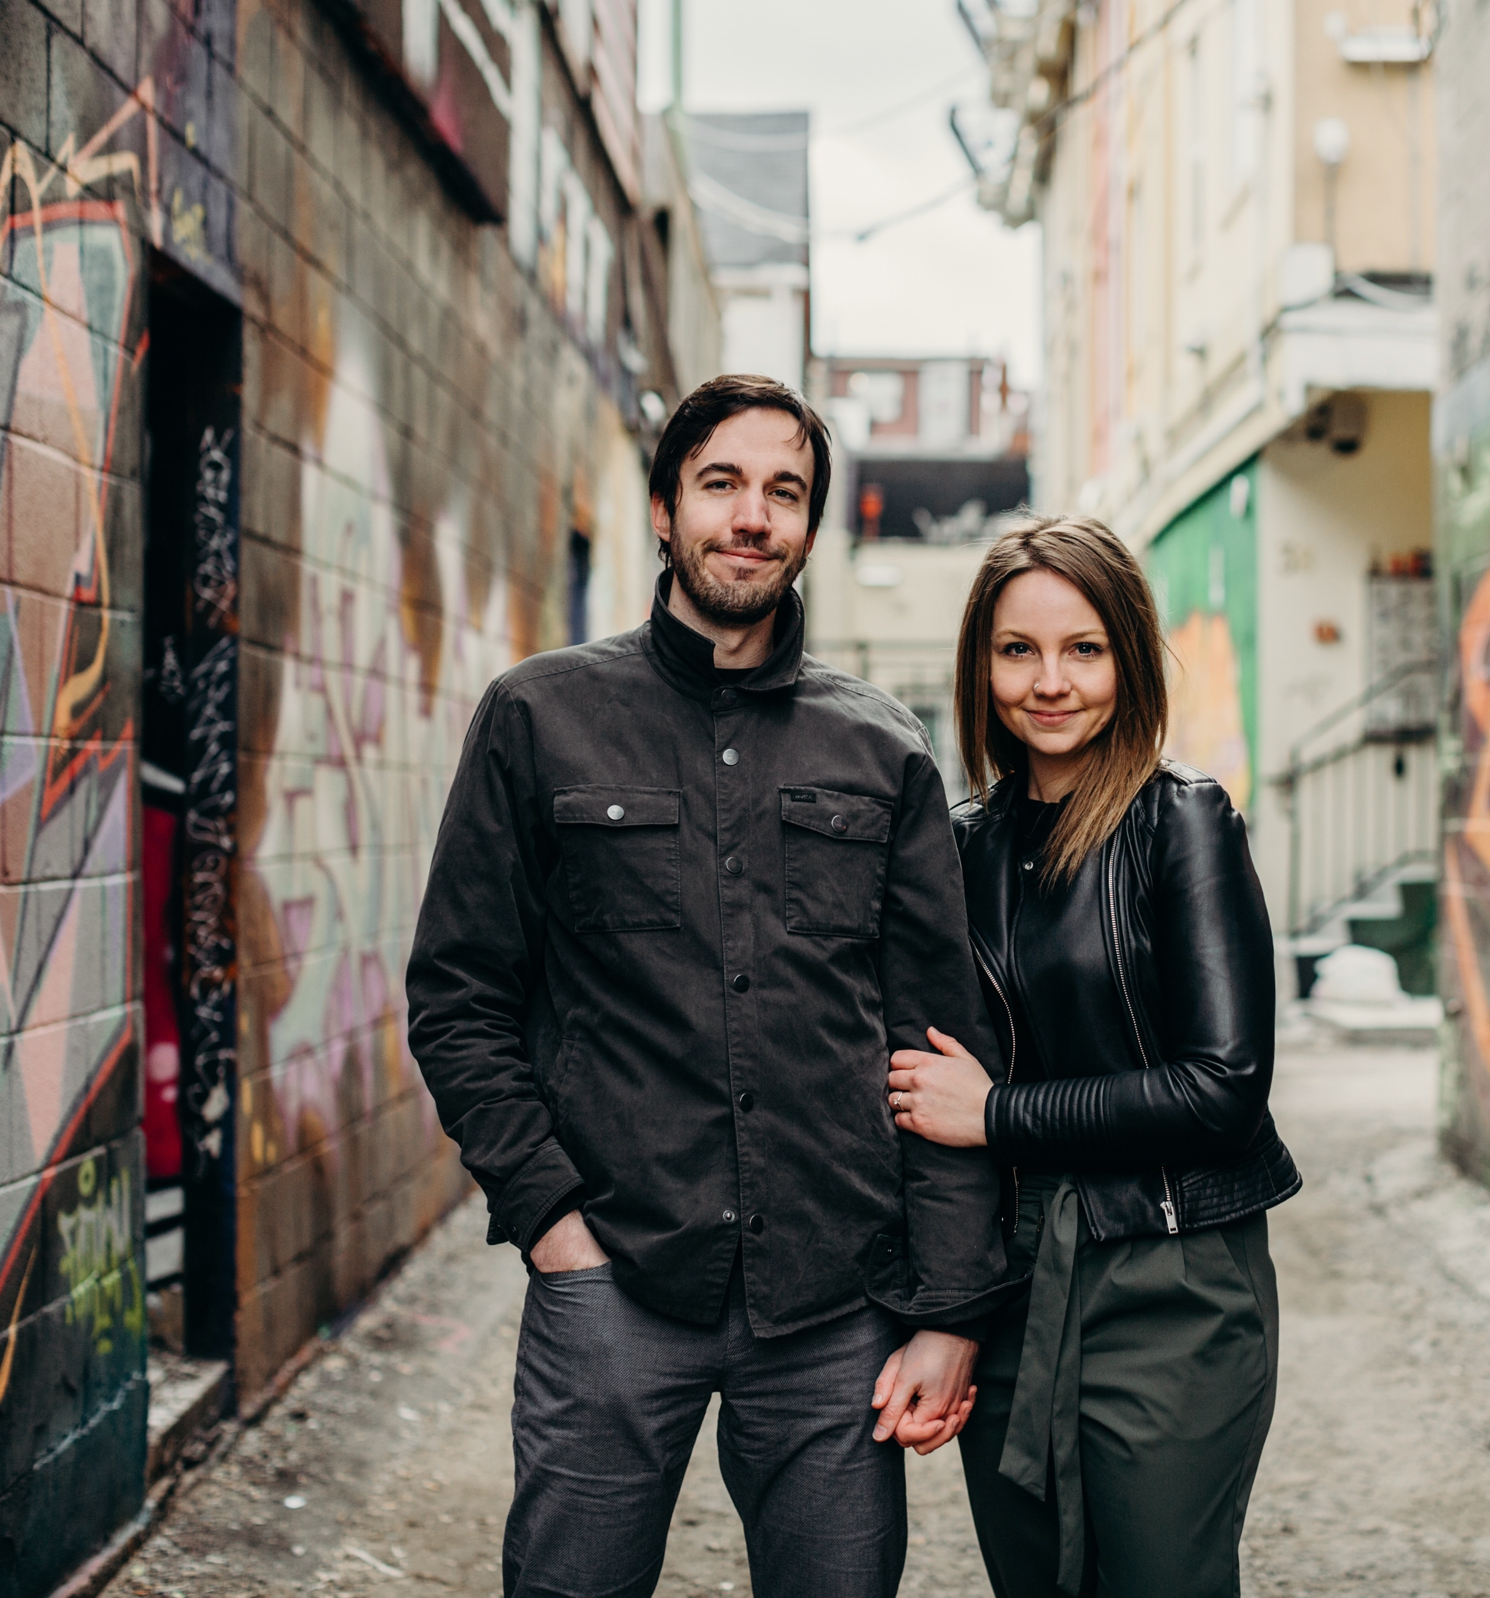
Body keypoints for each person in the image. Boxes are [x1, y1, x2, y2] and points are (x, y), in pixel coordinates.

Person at [404, 374, 1017, 1598]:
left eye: (784, 492)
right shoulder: (539, 717)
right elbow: (458, 995)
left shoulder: (882, 746)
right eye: (723, 483)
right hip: (614, 1279)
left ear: (808, 526)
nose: (753, 515)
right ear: (665, 508)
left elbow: (938, 1040)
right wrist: (552, 1221)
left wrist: (948, 1306)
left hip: (836, 1302)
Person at [884, 516, 1302, 1598]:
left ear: (1127, 655)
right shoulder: (962, 851)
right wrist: (946, 1305)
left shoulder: (1184, 822)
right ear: (981, 664)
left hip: (1173, 1276)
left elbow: (1224, 1087)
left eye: (1084, 648)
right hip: (1018, 1279)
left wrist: (1000, 1113)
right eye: (1018, 649)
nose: (1051, 681)